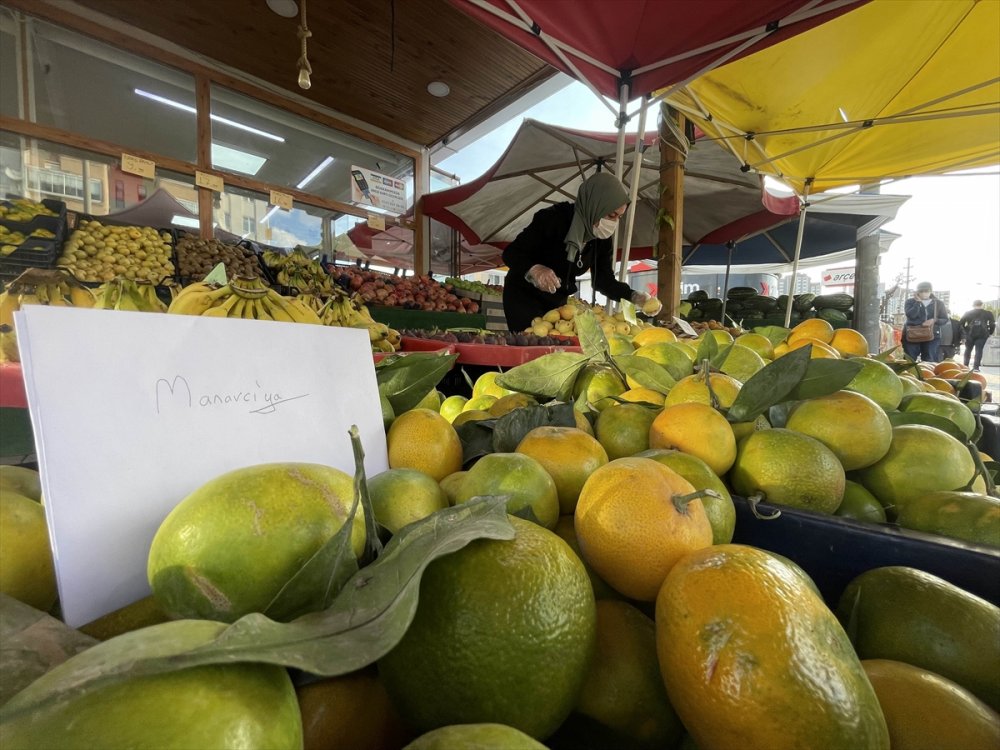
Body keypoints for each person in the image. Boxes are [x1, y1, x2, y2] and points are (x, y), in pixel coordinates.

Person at [501, 172, 661, 333]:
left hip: (558, 304)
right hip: (524, 297)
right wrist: (535, 270)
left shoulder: (601, 238)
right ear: (595, 205)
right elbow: (511, 253)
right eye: (611, 215)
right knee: (531, 341)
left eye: (619, 217)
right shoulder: (553, 219)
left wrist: (633, 296)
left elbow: (603, 280)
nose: (613, 223)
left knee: (558, 344)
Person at [903, 281, 949, 362]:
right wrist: (918, 302)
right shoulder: (910, 302)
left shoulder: (939, 303)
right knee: (909, 360)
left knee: (929, 360)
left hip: (932, 335)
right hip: (912, 334)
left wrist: (934, 320)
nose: (924, 293)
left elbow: (945, 319)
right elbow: (911, 315)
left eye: (926, 291)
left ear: (931, 291)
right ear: (917, 292)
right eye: (921, 291)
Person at [959, 299, 996, 371]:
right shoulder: (988, 313)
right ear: (982, 305)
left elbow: (961, 324)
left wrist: (964, 332)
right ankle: (976, 367)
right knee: (979, 350)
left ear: (973, 305)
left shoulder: (968, 313)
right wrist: (990, 332)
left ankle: (965, 366)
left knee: (968, 350)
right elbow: (992, 324)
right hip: (982, 334)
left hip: (969, 334)